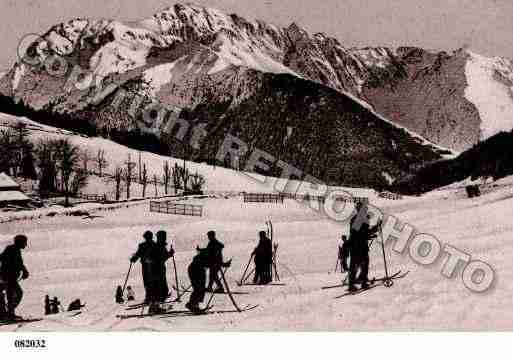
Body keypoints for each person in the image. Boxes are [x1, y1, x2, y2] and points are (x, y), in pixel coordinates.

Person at [346, 200, 381, 292]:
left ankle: (362, 280)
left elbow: (365, 232)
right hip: (356, 246)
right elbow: (357, 234)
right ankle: (351, 285)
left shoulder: (363, 220)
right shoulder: (357, 220)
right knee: (355, 265)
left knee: (365, 263)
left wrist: (376, 227)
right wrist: (369, 235)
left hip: (362, 246)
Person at [0, 234, 29, 319]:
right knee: (13, 294)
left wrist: (24, 271)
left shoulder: (16, 250)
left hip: (10, 277)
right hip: (7, 277)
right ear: (19, 242)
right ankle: (8, 313)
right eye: (24, 242)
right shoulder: (10, 249)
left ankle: (8, 313)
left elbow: (20, 263)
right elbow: (2, 258)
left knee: (14, 294)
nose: (25, 245)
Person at [130, 231, 159, 312]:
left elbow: (138, 254)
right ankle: (149, 297)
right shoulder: (153, 245)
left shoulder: (146, 245)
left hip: (149, 266)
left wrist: (134, 259)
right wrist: (134, 259)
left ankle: (149, 298)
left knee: (148, 282)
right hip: (149, 266)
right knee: (148, 282)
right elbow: (138, 254)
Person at [185, 248, 209, 313]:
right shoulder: (200, 258)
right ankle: (194, 305)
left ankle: (192, 304)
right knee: (198, 288)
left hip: (196, 272)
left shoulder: (202, 257)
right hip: (195, 272)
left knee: (199, 288)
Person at [154, 230, 175, 303]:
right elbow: (163, 257)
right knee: (160, 284)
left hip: (159, 267)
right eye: (164, 237)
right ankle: (158, 302)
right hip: (158, 268)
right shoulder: (159, 246)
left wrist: (170, 253)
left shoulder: (160, 245)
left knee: (161, 283)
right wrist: (170, 253)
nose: (165, 238)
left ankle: (161, 299)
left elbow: (165, 256)